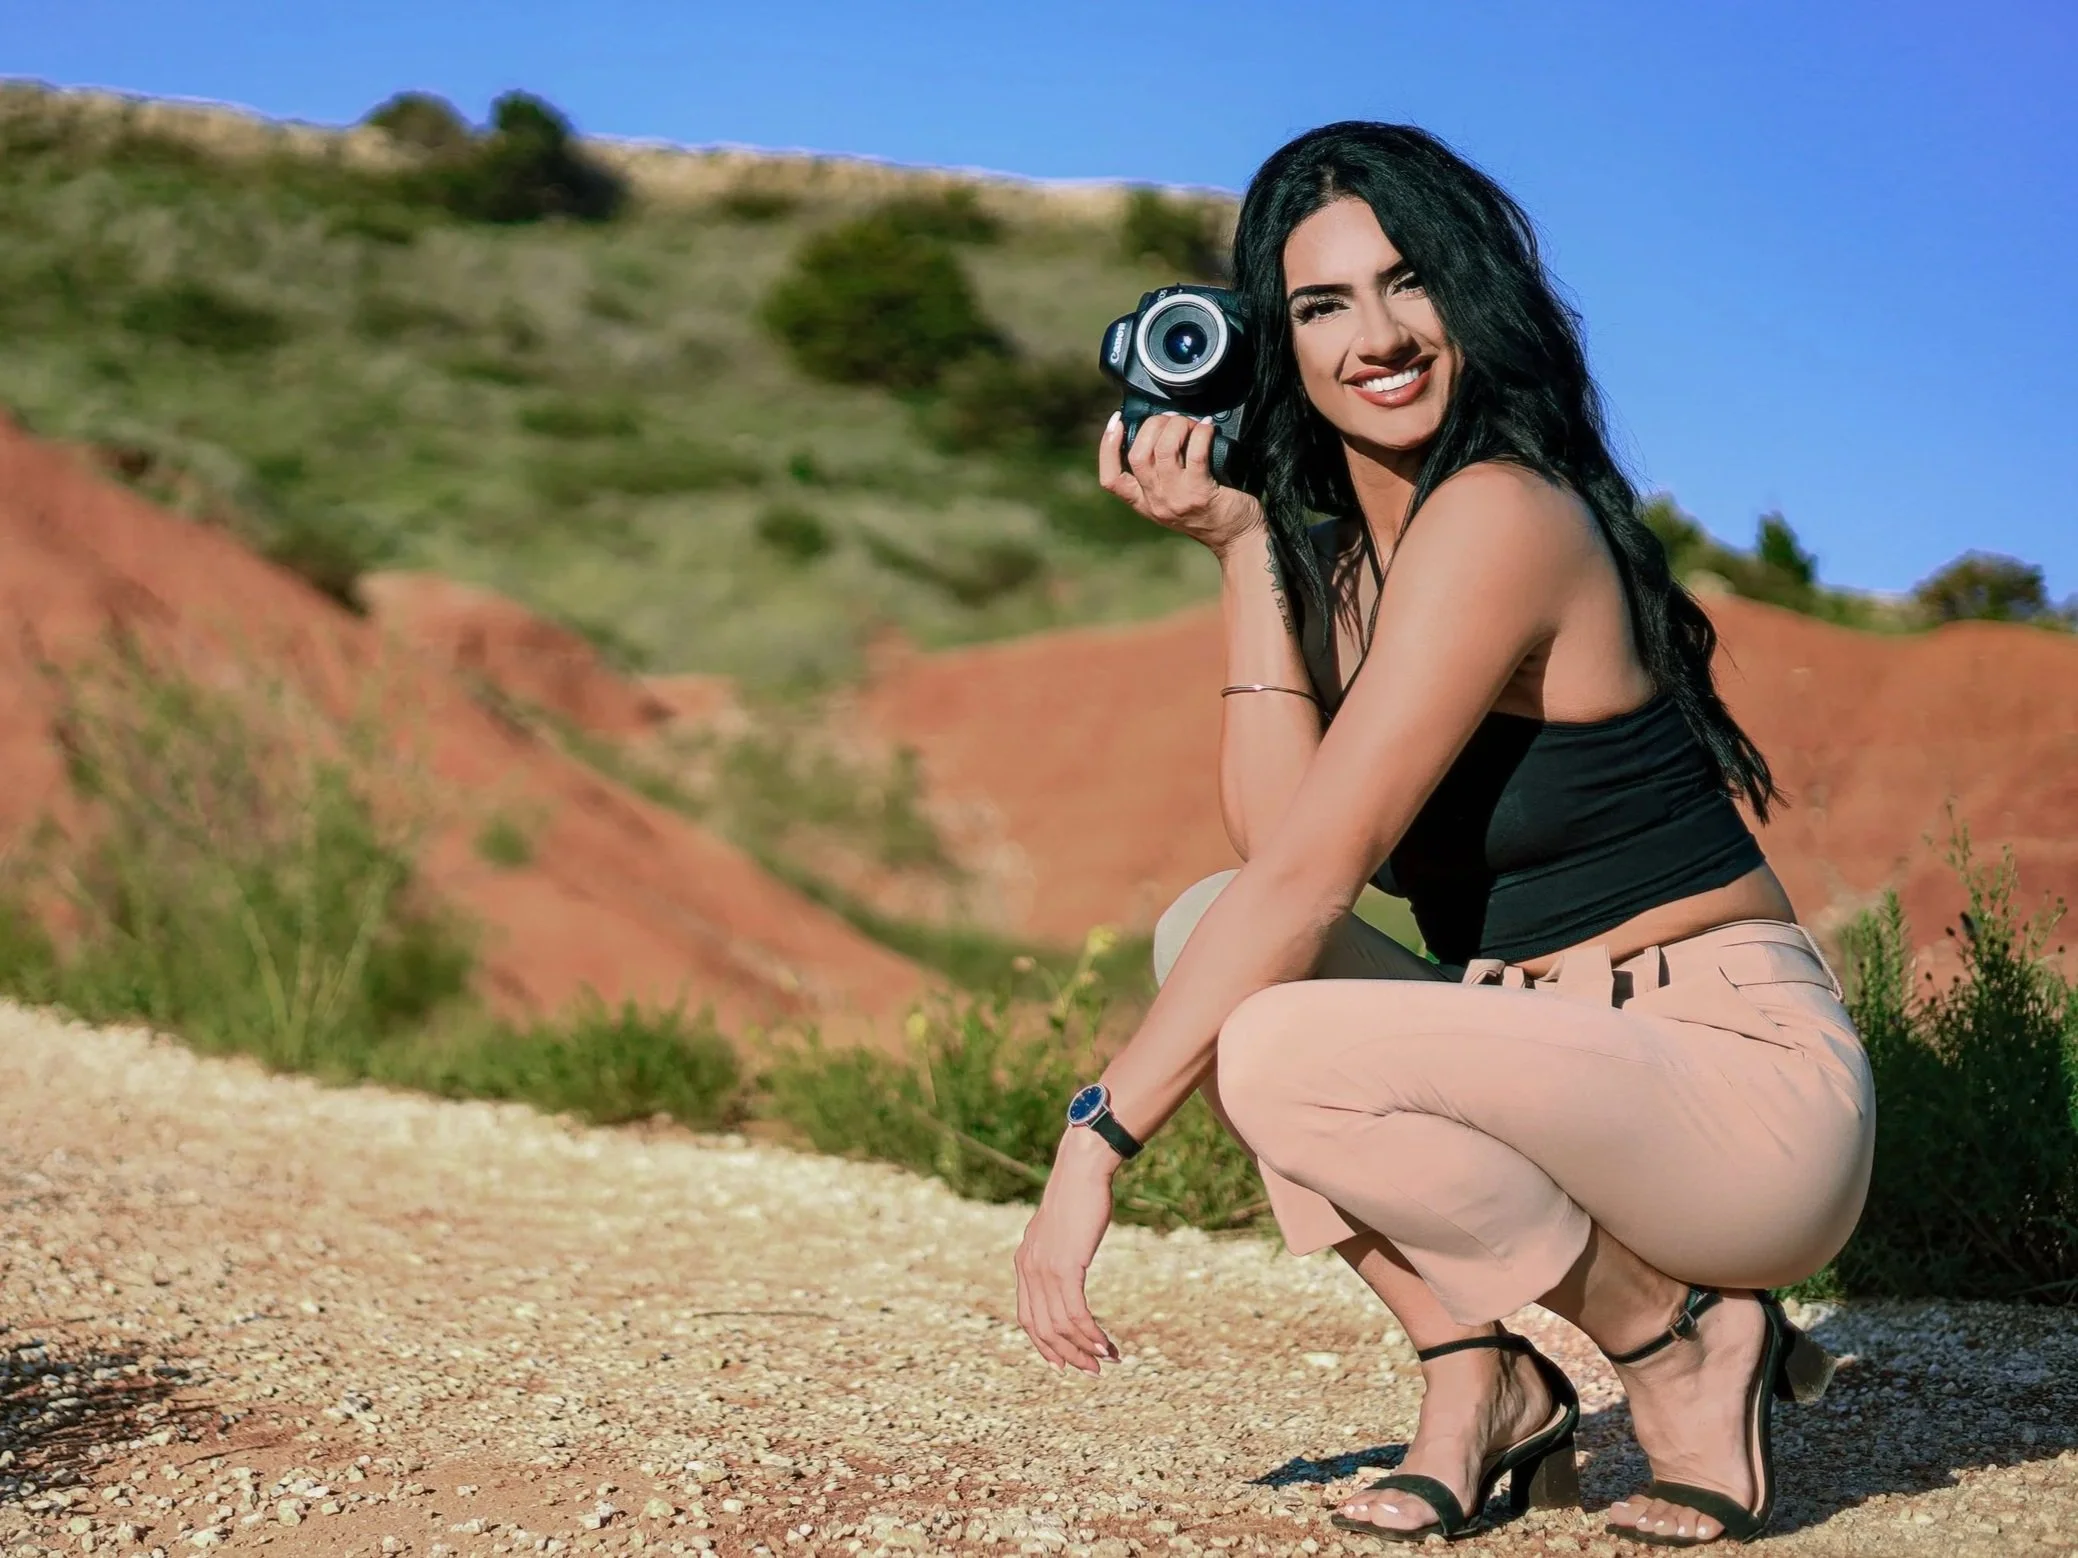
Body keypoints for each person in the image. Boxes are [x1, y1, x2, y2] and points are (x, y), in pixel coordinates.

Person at [1013, 122, 1874, 1549]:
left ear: (1472, 298)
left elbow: (1312, 877)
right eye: (1322, 304)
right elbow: (1273, 849)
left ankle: (1680, 1337)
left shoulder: (1499, 513)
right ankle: (1479, 1377)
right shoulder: (1351, 566)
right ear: (1273, 346)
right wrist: (1243, 555)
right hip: (1554, 1056)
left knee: (1267, 1023)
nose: (1377, 334)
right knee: (1207, 935)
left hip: (1735, 1097)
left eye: (1407, 283)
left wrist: (1096, 1140)